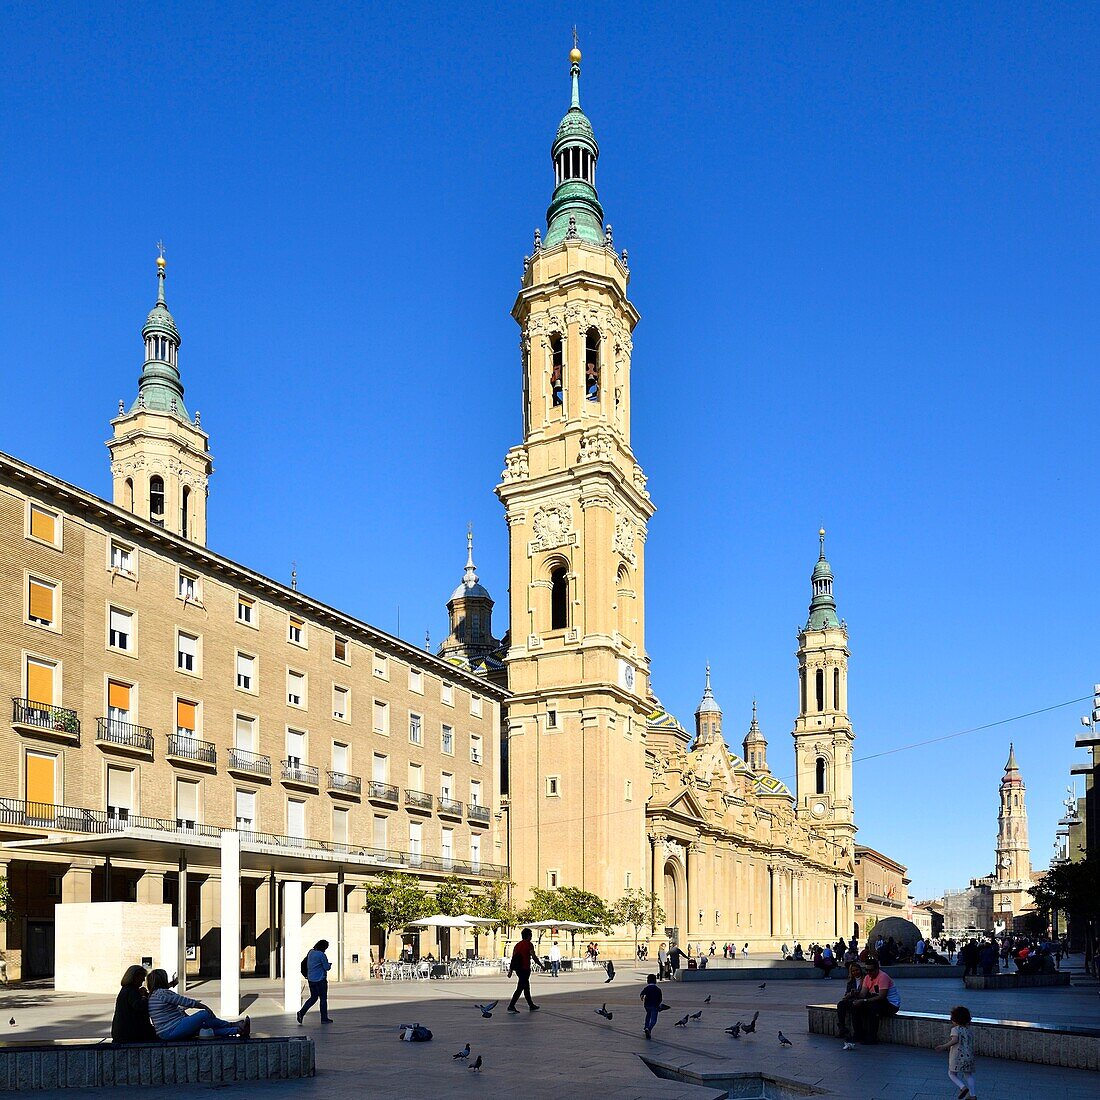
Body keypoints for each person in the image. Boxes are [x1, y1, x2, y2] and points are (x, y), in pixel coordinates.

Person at [146, 969, 249, 1041]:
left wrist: (172, 984)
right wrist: (203, 1006)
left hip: (166, 1032)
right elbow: (183, 1000)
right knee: (203, 1014)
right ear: (162, 980)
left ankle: (238, 1030)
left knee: (205, 1029)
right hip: (172, 1028)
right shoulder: (162, 993)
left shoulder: (154, 994)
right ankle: (233, 1024)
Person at [845, 959, 900, 1046]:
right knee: (855, 1006)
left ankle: (872, 1037)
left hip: (891, 1005)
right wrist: (854, 994)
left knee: (874, 1008)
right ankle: (858, 1034)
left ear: (877, 969)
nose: (869, 972)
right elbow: (863, 994)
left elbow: (882, 996)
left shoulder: (883, 977)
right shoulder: (867, 977)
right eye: (867, 970)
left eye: (871, 970)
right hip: (877, 1001)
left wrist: (864, 1001)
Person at [936, 1004, 976, 1099]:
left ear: (955, 1020)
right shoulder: (969, 1031)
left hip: (957, 1056)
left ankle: (962, 1087)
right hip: (969, 1056)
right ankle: (973, 1095)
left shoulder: (955, 1030)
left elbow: (955, 1040)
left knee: (951, 1073)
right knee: (968, 1074)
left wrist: (943, 1046)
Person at [112, 965, 156, 1043]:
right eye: (142, 977)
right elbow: (140, 1006)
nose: (143, 980)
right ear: (135, 977)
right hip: (129, 1034)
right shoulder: (131, 991)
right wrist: (143, 996)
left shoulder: (127, 989)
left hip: (124, 1033)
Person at [297, 939, 333, 1024]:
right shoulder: (322, 955)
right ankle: (324, 1018)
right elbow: (326, 967)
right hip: (320, 980)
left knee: (313, 997)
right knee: (323, 999)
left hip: (311, 979)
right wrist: (329, 965)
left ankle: (301, 1012)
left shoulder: (311, 952)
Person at [507, 928, 542, 1012]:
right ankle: (511, 1005)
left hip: (518, 969)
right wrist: (541, 965)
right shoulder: (529, 944)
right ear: (529, 936)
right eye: (531, 935)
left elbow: (514, 958)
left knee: (526, 987)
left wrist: (510, 970)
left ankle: (531, 1005)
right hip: (525, 969)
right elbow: (533, 957)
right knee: (520, 988)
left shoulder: (517, 945)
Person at [835, 962, 865, 1041]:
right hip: (852, 999)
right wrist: (849, 995)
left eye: (857, 970)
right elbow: (846, 995)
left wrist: (856, 993)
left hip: (861, 1000)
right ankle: (842, 1028)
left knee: (854, 1008)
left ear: (860, 970)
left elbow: (865, 993)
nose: (855, 972)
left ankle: (857, 1033)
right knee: (841, 1004)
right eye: (853, 971)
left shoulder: (865, 979)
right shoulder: (851, 982)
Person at [640, 973, 663, 1039]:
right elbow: (660, 999)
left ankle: (646, 1026)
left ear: (648, 981)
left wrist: (642, 998)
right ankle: (649, 1029)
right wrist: (659, 1005)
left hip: (647, 1005)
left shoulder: (646, 988)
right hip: (654, 1006)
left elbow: (642, 994)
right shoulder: (658, 989)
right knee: (653, 1020)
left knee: (648, 1015)